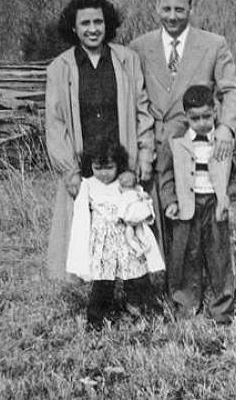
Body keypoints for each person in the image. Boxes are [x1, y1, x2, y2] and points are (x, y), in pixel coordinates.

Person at [45, 0, 154, 281]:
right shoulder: (60, 67)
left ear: (108, 24)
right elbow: (55, 124)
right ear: (73, 27)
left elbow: (143, 111)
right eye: (85, 23)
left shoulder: (126, 60)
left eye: (98, 22)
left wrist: (142, 157)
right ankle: (98, 296)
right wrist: (69, 171)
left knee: (127, 226)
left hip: (122, 162)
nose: (92, 29)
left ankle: (133, 290)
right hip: (84, 168)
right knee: (89, 230)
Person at [129, 0, 236, 260]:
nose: (172, 16)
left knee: (200, 215)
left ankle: (203, 276)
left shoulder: (214, 44)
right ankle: (166, 279)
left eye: (179, 9)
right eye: (166, 8)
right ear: (157, 8)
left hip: (196, 146)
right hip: (156, 145)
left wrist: (226, 128)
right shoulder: (139, 47)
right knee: (161, 212)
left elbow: (230, 90)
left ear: (190, 9)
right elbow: (135, 97)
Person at [158, 85, 236, 324]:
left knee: (219, 256)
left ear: (215, 112)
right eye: (195, 118)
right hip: (188, 205)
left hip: (214, 204)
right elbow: (165, 175)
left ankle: (222, 309)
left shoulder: (224, 141)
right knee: (187, 254)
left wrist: (228, 195)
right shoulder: (176, 142)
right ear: (186, 116)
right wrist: (170, 201)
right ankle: (187, 305)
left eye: (207, 116)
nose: (202, 122)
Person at [66, 137, 165, 330]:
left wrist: (138, 204)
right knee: (103, 279)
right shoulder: (88, 184)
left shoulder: (124, 183)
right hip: (103, 243)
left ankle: (143, 308)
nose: (103, 174)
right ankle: (97, 317)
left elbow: (140, 204)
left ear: (118, 164)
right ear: (90, 165)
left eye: (109, 167)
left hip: (126, 238)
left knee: (136, 275)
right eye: (97, 168)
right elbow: (80, 215)